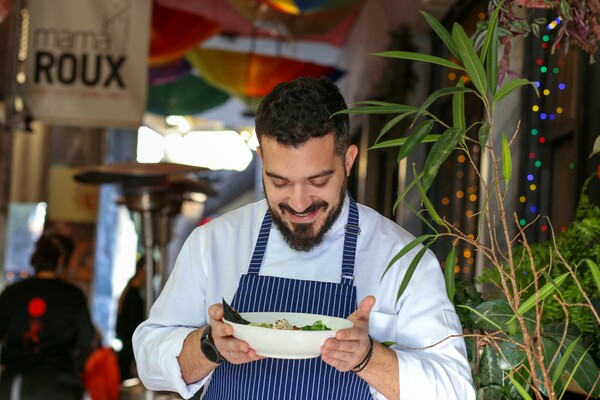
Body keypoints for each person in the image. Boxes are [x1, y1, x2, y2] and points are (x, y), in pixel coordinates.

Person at [133, 76, 475, 399]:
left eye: (318, 181)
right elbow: (149, 361)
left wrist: (369, 358)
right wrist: (209, 345)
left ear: (349, 160)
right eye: (279, 182)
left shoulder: (401, 259)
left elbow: (455, 391)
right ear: (261, 159)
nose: (298, 203)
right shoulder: (213, 243)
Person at [0, 232, 96, 400]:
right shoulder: (73, 295)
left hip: (16, 383)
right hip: (60, 384)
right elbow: (86, 341)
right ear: (61, 260)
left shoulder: (12, 293)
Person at [115, 255, 147, 381]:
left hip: (127, 350)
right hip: (129, 352)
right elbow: (134, 328)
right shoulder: (134, 298)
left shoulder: (130, 292)